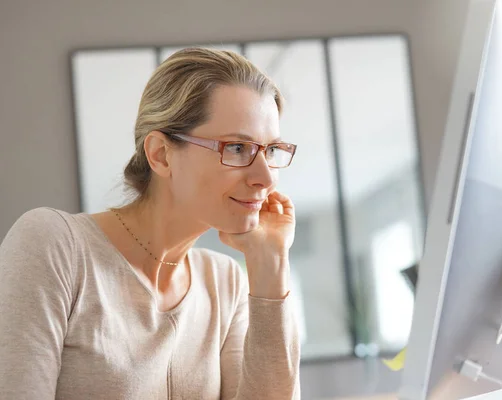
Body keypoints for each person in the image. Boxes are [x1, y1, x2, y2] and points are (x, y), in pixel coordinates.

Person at [0, 47, 300, 399]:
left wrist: (271, 264)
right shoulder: (56, 247)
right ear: (160, 154)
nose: (266, 178)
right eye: (236, 148)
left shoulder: (224, 282)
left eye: (271, 151)